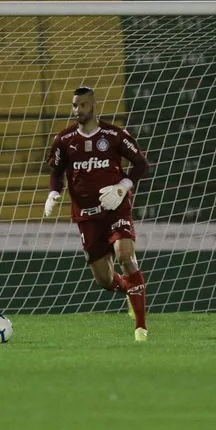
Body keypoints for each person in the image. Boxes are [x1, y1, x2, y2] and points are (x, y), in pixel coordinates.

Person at [44, 86, 150, 341]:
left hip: (115, 209)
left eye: (81, 105)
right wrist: (53, 193)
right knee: (103, 279)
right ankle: (130, 289)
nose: (77, 110)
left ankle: (141, 327)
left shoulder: (114, 135)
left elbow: (141, 164)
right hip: (86, 215)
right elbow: (56, 172)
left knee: (125, 256)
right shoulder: (64, 140)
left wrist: (122, 186)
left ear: (92, 106)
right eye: (74, 105)